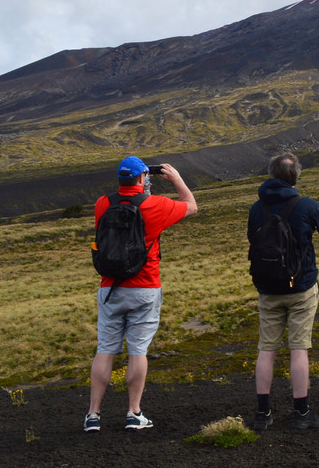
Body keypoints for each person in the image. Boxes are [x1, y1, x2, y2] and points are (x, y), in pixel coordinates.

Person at [84, 156, 198, 433]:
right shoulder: (154, 205)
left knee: (105, 350)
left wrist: (139, 182)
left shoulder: (103, 204)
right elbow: (191, 206)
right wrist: (175, 179)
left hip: (110, 287)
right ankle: (134, 413)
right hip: (145, 287)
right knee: (137, 351)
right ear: (141, 178)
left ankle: (93, 416)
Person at [249, 152, 319, 432]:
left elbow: (253, 239)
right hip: (301, 287)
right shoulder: (306, 205)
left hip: (267, 289)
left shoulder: (257, 208)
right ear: (295, 176)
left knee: (266, 349)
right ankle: (301, 412)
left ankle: (262, 414)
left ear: (271, 174)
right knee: (298, 349)